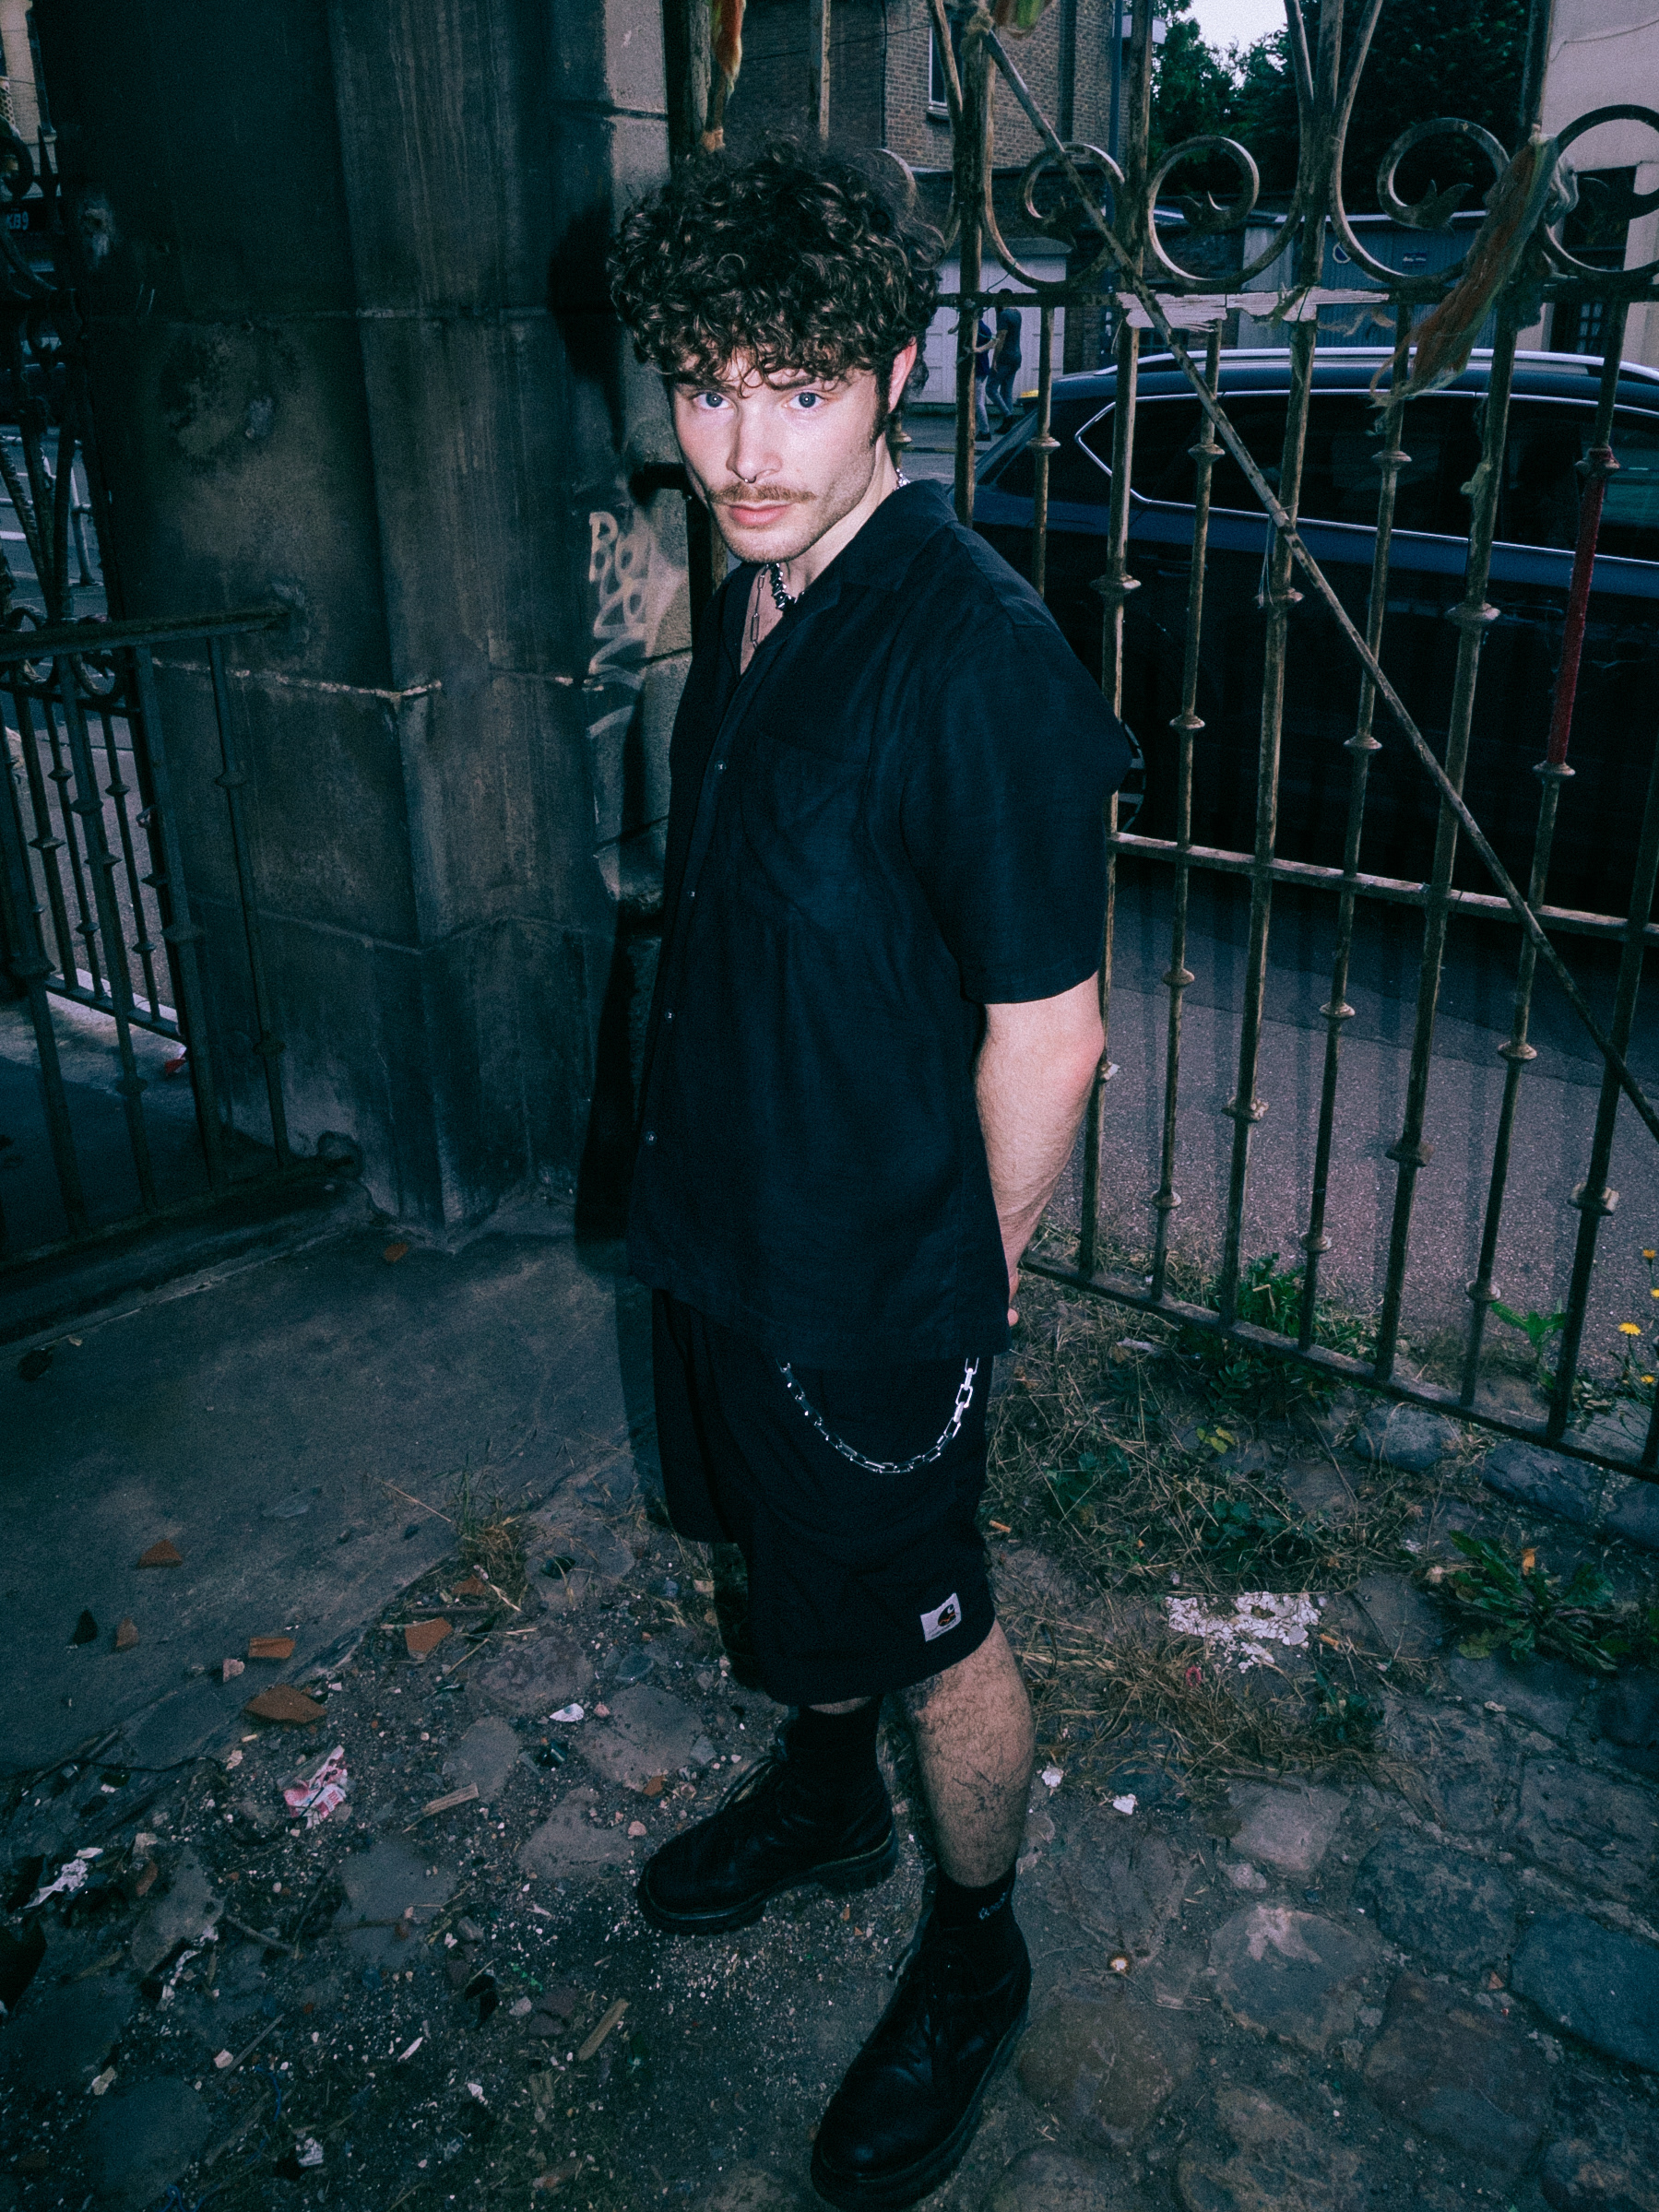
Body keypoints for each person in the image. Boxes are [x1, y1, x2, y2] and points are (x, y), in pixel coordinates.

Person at [608, 142, 1130, 2210]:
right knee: (777, 1549)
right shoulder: (763, 583)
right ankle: (824, 1798)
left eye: (797, 388)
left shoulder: (973, 656)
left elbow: (1052, 1031)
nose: (739, 448)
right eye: (704, 384)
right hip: (725, 1226)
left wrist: (960, 1277)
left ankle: (974, 1949)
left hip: (873, 1277)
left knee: (930, 1620)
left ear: (895, 375)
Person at [986, 300, 1024, 426]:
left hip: (1005, 357)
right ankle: (1008, 424)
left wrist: (994, 359)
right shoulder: (1017, 313)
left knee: (990, 388)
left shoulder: (1004, 315)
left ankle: (1008, 416)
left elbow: (1001, 338)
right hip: (1016, 356)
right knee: (1006, 391)